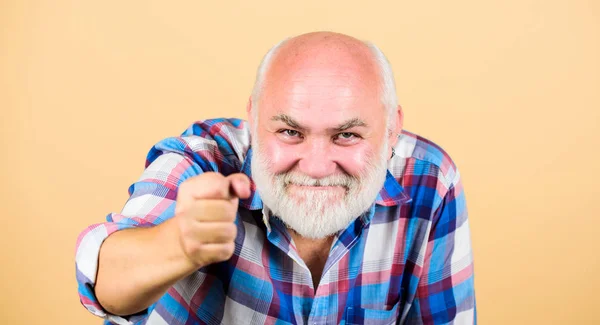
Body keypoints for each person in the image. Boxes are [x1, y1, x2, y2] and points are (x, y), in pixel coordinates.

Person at [75, 31, 476, 325]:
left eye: (347, 135)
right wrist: (177, 243)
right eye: (290, 132)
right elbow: (105, 283)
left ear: (391, 129)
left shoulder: (430, 180)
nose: (317, 167)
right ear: (253, 118)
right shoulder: (201, 162)